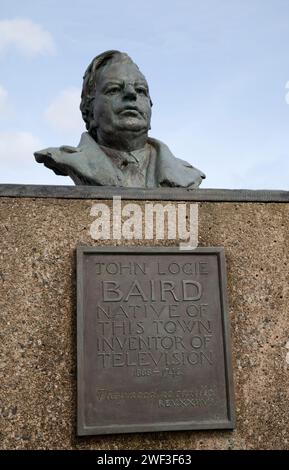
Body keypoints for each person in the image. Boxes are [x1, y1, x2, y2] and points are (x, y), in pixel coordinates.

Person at [34, 50, 205, 188]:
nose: (131, 94)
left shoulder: (186, 174)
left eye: (140, 90)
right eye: (114, 89)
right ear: (89, 111)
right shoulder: (66, 159)